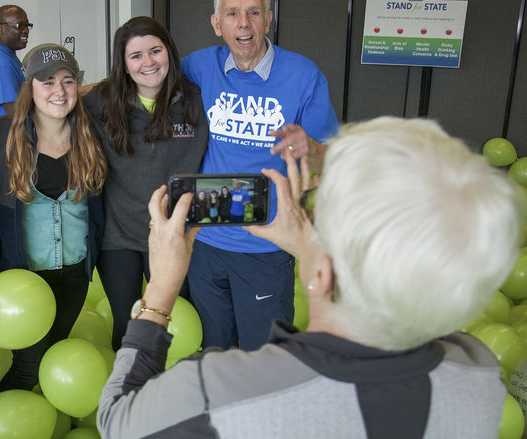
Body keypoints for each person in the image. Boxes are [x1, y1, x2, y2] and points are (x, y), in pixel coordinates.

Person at [97, 117, 525, 438]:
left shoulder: (217, 388)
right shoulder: (479, 373)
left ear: (324, 270)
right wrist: (307, 241)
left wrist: (161, 290)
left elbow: (117, 420)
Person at [181, 0, 339, 350]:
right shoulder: (197, 66)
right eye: (232, 13)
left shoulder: (303, 75)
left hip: (265, 244)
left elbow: (334, 159)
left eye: (253, 12)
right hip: (205, 242)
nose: (243, 23)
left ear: (268, 20)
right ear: (216, 23)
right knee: (213, 354)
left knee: (264, 356)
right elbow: (142, 83)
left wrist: (309, 147)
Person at [82, 16, 208, 350]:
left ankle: (168, 395)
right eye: (136, 55)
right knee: (126, 327)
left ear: (169, 52)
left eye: (155, 50)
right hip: (118, 237)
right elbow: (57, 103)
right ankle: (129, 397)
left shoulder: (195, 99)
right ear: (123, 65)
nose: (148, 62)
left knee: (174, 321)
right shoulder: (101, 101)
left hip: (172, 235)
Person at [0, 44, 107, 392]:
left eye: (67, 81)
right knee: (28, 366)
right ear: (31, 88)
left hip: (74, 275)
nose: (59, 91)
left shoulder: (91, 136)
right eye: (48, 82)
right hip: (24, 280)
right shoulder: (3, 136)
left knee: (53, 354)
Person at [0, 5, 32, 119]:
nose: (26, 30)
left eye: (27, 26)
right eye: (19, 26)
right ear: (1, 28)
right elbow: (13, 110)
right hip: (8, 132)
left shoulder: (6, 52)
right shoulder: (0, 61)